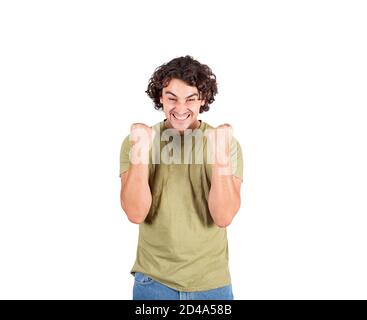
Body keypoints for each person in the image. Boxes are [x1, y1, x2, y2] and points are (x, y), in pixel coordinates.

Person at [119, 55, 243, 300]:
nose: (180, 108)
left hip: (211, 283)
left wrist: (220, 157)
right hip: (154, 282)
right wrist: (140, 154)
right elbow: (135, 213)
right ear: (160, 98)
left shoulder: (225, 144)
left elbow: (223, 216)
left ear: (203, 99)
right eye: (171, 98)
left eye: (190, 99)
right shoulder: (138, 141)